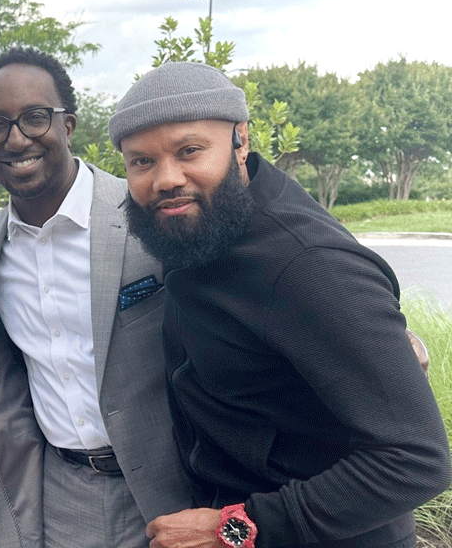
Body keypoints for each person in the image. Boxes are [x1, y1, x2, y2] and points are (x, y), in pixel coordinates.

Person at [110, 61, 451, 548]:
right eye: (141, 162)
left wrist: (235, 528)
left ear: (240, 141)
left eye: (190, 151)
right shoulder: (202, 230)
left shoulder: (309, 264)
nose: (166, 178)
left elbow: (416, 459)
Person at [0, 47, 193, 548]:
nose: (16, 138)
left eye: (35, 118)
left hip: (174, 490)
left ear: (69, 124)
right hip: (63, 494)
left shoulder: (145, 214)